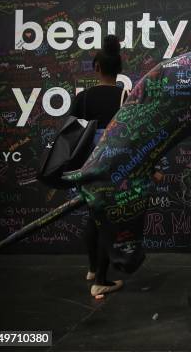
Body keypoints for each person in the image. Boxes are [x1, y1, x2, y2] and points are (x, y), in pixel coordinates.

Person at [70, 34, 128, 296]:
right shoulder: (125, 97)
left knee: (92, 216)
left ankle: (93, 269)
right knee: (107, 220)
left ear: (96, 67)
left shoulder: (83, 98)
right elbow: (131, 135)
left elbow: (70, 135)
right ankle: (100, 282)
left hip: (86, 166)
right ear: (119, 69)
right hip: (112, 166)